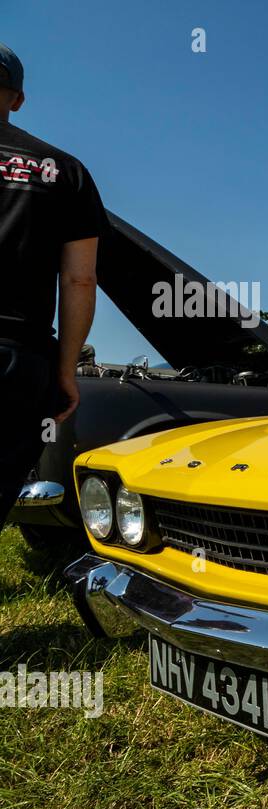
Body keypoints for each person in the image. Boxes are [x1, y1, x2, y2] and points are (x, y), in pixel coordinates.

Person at [0, 42, 106, 528]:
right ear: (18, 98)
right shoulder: (66, 171)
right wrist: (66, 371)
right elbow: (81, 279)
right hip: (19, 362)